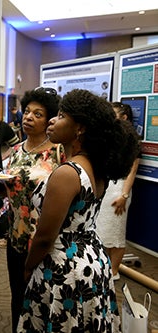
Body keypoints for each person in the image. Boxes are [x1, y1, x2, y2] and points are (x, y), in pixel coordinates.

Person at [17, 89, 140, 332]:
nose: (53, 120)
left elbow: (44, 238)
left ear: (80, 128)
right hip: (92, 259)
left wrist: (29, 266)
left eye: (61, 116)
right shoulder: (95, 165)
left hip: (64, 268)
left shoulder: (67, 173)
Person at [2, 87, 63, 332]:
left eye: (38, 114)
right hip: (16, 237)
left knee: (43, 297)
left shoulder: (59, 152)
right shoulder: (15, 152)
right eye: (27, 112)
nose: (28, 117)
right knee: (18, 294)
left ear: (50, 120)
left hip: (45, 240)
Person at [96, 102, 139, 280]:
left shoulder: (132, 140)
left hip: (120, 190)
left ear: (124, 117)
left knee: (116, 232)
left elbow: (132, 170)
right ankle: (105, 268)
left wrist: (124, 195)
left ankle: (113, 271)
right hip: (107, 187)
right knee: (103, 230)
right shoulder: (109, 137)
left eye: (113, 114)